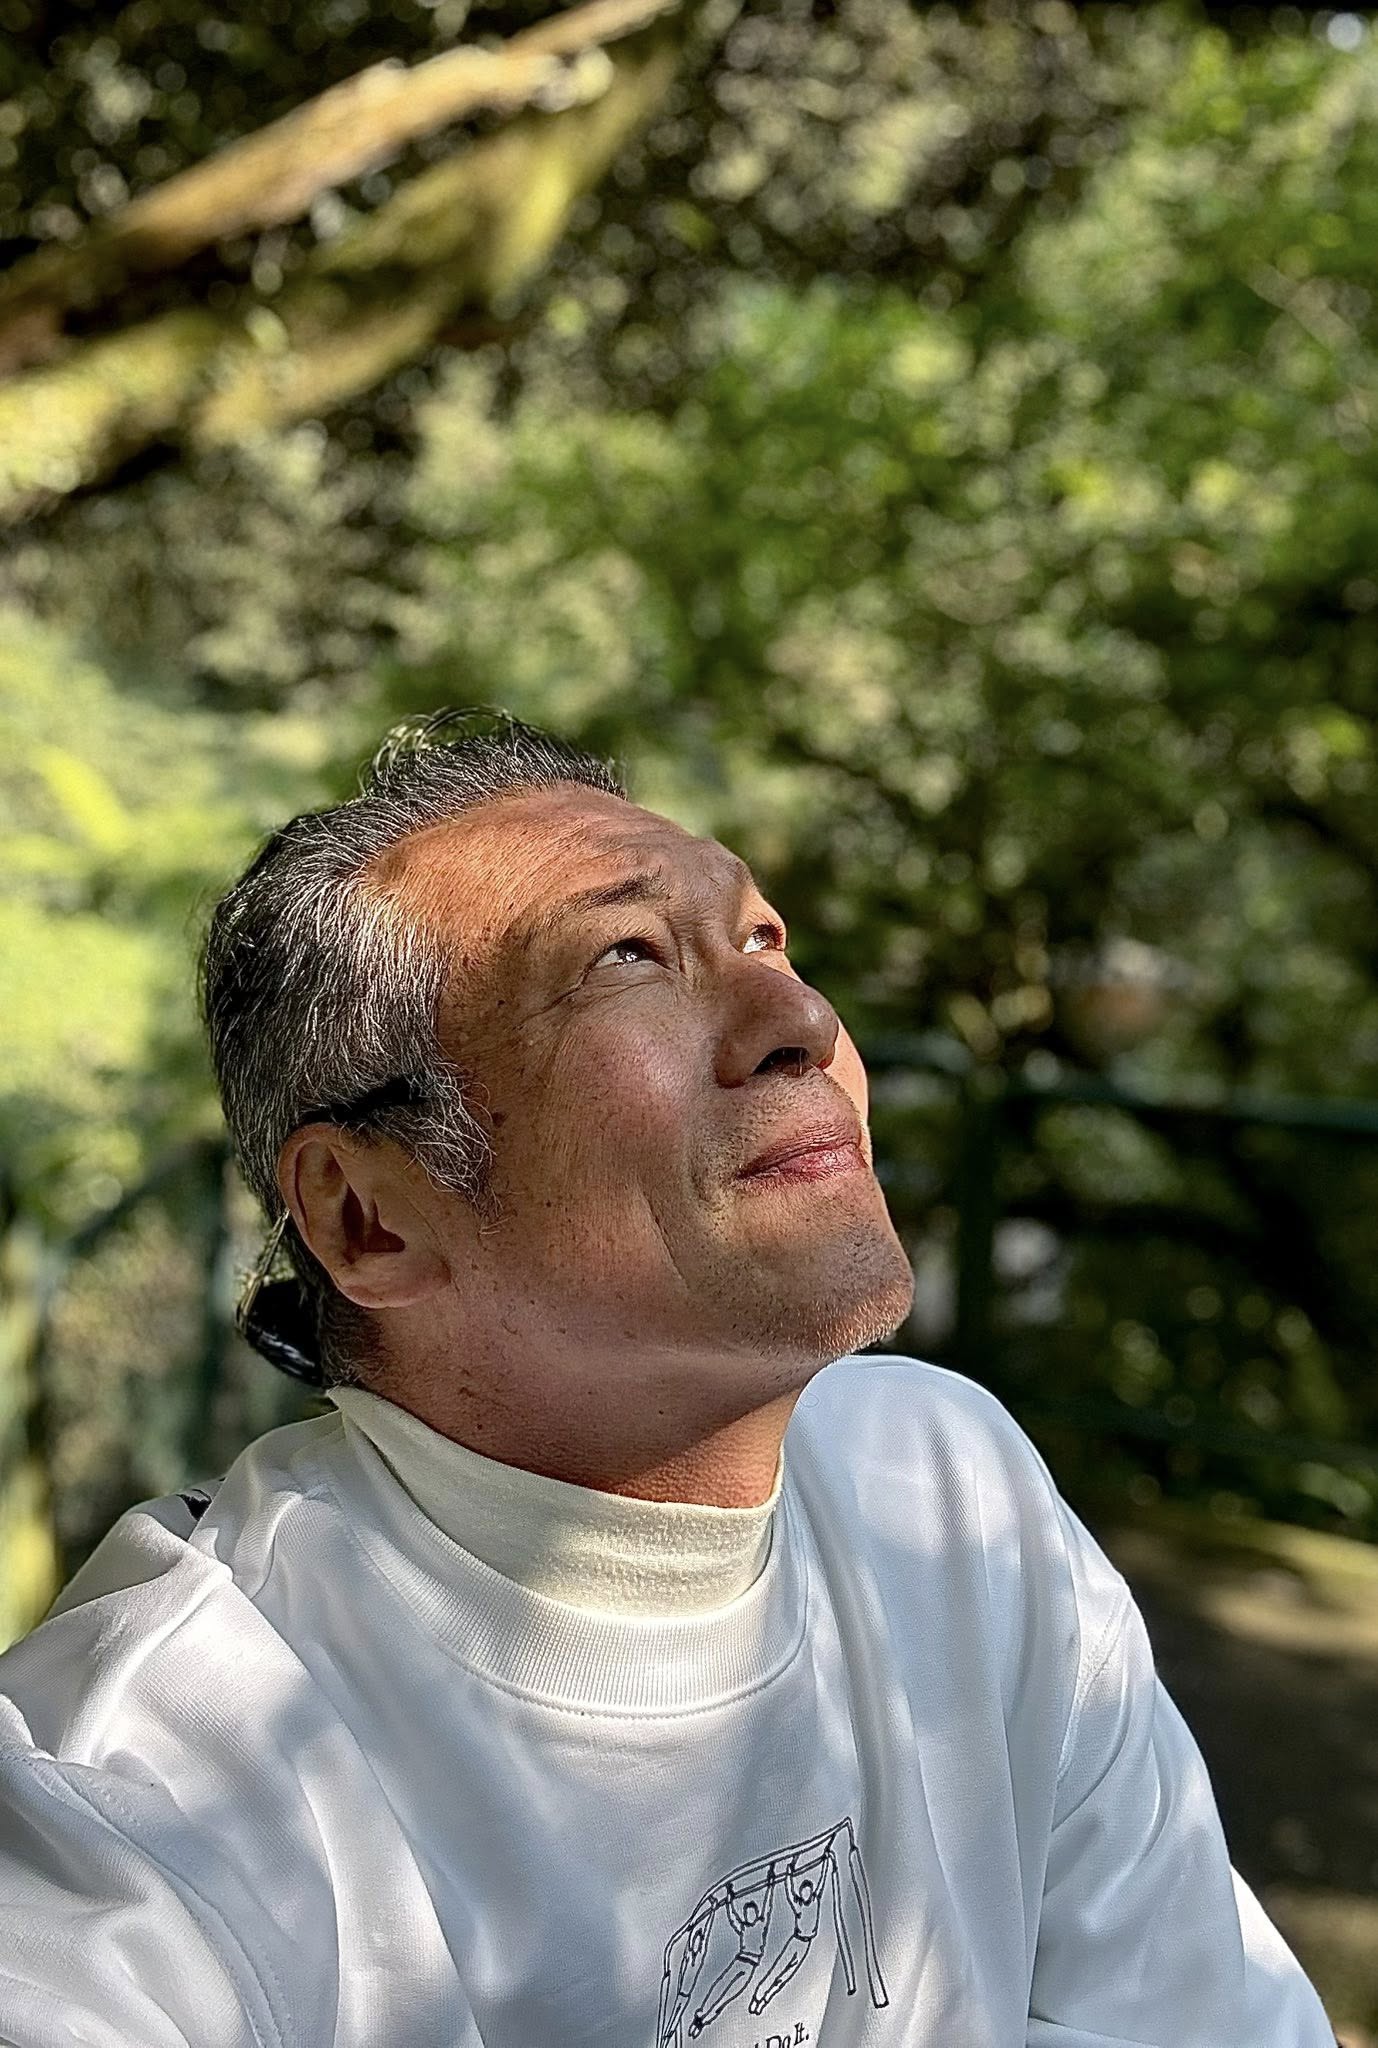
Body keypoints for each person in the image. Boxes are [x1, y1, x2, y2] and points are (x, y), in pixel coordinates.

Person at [0, 709, 1336, 2047]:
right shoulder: (152, 1796)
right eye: (626, 958)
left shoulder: (946, 1489)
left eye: (763, 938)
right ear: (369, 1217)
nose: (804, 1020)